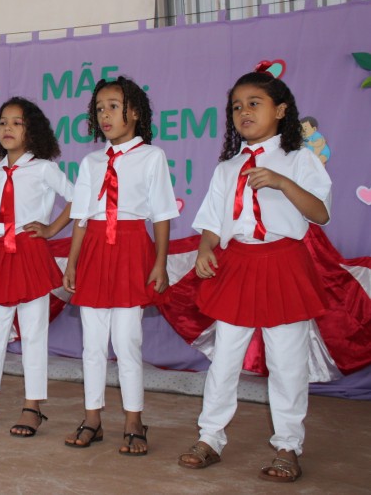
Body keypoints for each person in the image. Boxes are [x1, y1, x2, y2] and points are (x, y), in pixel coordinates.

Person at [177, 71, 331, 483]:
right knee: (225, 358)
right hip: (238, 265)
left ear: (280, 111)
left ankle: (288, 446)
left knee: (287, 363)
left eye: (254, 103)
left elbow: (320, 213)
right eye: (236, 106)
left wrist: (282, 183)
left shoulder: (299, 159)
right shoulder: (228, 168)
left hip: (283, 264)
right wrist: (206, 248)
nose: (243, 111)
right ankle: (210, 437)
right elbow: (213, 222)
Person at [63, 77, 179, 455]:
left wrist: (160, 263)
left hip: (131, 249)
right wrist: (72, 263)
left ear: (135, 112)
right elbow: (81, 218)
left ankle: (134, 420)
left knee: (127, 341)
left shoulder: (152, 157)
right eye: (99, 108)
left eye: (113, 106)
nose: (105, 115)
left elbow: (162, 214)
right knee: (92, 344)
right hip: (94, 251)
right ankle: (92, 419)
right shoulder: (91, 162)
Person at [0, 97, 73, 437]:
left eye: (17, 123)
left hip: (29, 255)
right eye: (3, 122)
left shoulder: (44, 169)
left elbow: (78, 198)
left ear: (32, 130)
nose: (8, 128)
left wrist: (51, 229)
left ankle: (32, 406)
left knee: (34, 334)